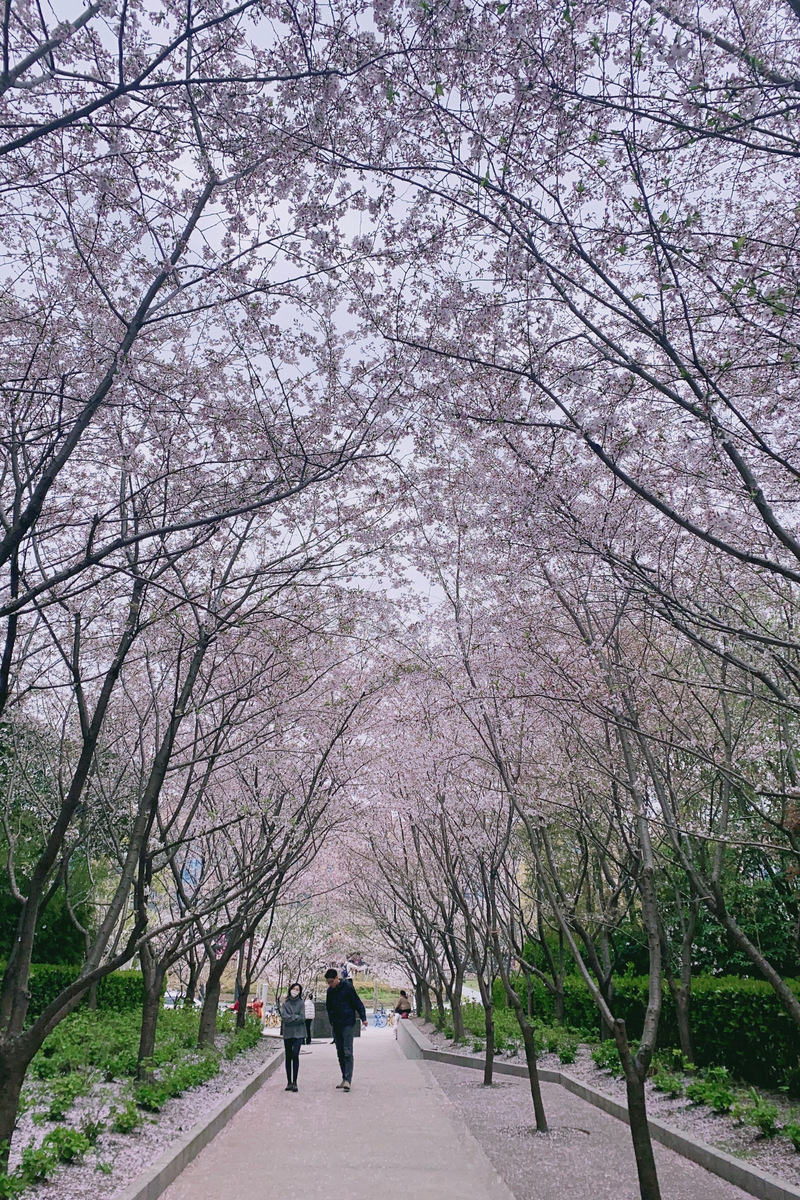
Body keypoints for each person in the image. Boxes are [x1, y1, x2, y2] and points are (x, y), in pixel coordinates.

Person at [325, 968, 367, 1092]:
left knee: (347, 1051)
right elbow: (328, 1006)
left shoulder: (347, 987)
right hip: (336, 1024)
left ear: (337, 978)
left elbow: (357, 1002)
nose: (330, 984)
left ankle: (348, 1079)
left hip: (348, 1023)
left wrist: (363, 1017)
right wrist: (331, 1020)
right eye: (328, 982)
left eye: (332, 981)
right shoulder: (330, 991)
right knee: (340, 1052)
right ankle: (344, 1077)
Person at [280, 983, 306, 1092]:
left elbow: (303, 1018)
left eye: (297, 989)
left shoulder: (301, 1003)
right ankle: (289, 1081)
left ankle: (295, 1081)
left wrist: (291, 1018)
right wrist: (295, 1017)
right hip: (288, 1033)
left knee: (295, 1055)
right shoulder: (285, 1003)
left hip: (299, 1033)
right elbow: (284, 1017)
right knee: (288, 1056)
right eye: (294, 989)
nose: (295, 991)